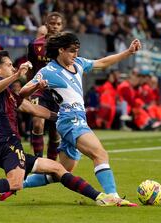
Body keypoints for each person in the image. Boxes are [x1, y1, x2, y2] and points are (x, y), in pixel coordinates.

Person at [0, 50, 133, 207]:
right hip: (5, 145)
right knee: (15, 182)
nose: (13, 68)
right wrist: (16, 76)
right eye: (9, 65)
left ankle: (101, 197)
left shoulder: (9, 95)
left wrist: (58, 114)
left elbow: (33, 109)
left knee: (58, 168)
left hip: (13, 146)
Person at [16, 32, 141, 201]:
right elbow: (22, 92)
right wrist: (37, 85)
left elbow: (102, 62)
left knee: (59, 172)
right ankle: (113, 197)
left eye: (77, 50)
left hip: (76, 120)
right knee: (100, 154)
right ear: (61, 50)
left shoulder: (79, 63)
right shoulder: (48, 71)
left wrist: (128, 52)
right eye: (72, 51)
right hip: (70, 120)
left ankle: (16, 184)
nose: (76, 55)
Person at [27, 12, 64, 160]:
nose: (55, 26)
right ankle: (37, 161)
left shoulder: (66, 45)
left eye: (58, 24)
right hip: (39, 91)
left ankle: (51, 164)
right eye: (52, 23)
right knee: (37, 124)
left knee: (55, 132)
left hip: (59, 92)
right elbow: (31, 69)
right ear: (46, 25)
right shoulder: (35, 45)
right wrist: (29, 89)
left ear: (62, 26)